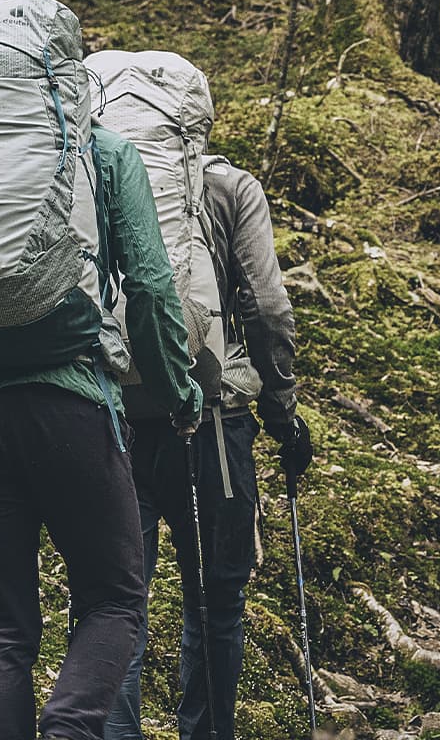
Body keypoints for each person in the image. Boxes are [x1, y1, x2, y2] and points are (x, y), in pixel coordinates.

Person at [0, 49, 204, 740]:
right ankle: (69, 730)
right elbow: (149, 290)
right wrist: (178, 392)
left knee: (0, 631)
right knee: (114, 600)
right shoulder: (103, 152)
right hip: (74, 406)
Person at [98, 70, 315, 740]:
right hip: (214, 424)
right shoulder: (230, 187)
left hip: (115, 420)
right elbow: (270, 309)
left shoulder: (94, 173)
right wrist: (281, 414)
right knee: (215, 603)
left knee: (116, 605)